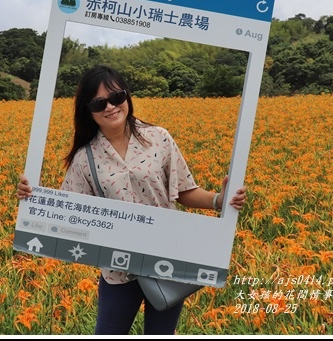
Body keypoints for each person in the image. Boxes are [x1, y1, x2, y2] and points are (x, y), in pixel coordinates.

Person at [16, 64, 247, 335]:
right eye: (99, 102)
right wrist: (31, 198)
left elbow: (183, 192)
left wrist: (220, 200)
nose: (110, 107)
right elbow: (69, 212)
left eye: (116, 97)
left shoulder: (158, 138)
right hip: (117, 270)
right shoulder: (84, 158)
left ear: (127, 97)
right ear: (87, 110)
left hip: (165, 261)